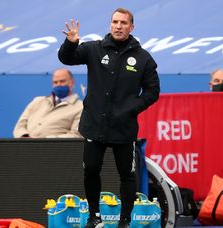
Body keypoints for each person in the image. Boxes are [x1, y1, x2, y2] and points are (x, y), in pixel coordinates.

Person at [58, 8, 160, 228]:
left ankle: (125, 220)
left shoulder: (143, 58)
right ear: (110, 24)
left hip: (124, 128)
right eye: (115, 21)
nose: (118, 26)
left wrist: (132, 108)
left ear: (131, 27)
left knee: (127, 175)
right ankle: (94, 217)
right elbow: (66, 58)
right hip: (95, 125)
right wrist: (71, 43)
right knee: (91, 170)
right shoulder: (95, 49)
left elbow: (153, 91)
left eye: (124, 22)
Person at [13, 68, 83, 138]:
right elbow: (20, 126)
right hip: (27, 147)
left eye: (62, 81)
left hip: (54, 148)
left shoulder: (81, 107)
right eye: (55, 82)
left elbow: (76, 135)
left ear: (72, 82)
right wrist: (24, 137)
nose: (59, 84)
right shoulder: (37, 101)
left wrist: (46, 141)